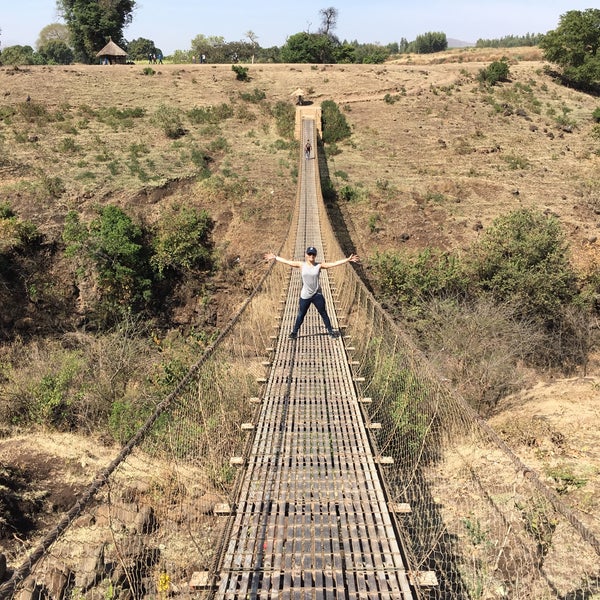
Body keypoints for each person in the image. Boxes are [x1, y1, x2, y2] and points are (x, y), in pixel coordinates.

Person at [264, 247, 359, 339]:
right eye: (309, 254)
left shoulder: (319, 266)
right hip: (305, 295)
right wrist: (275, 257)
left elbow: (333, 264)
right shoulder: (301, 265)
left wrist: (347, 260)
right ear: (306, 255)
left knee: (323, 313)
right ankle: (294, 332)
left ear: (316, 255)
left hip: (317, 294)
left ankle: (330, 332)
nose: (311, 256)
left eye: (313, 254)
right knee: (301, 314)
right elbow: (288, 262)